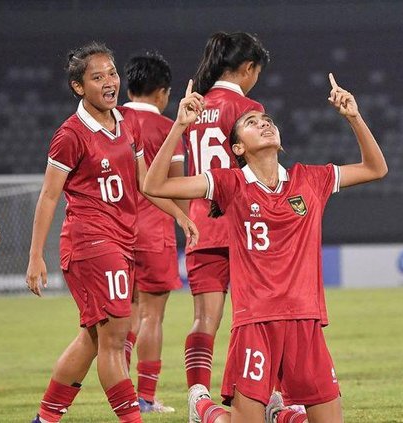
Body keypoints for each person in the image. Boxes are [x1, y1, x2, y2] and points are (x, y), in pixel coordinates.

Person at [144, 74, 388, 423]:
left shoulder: (310, 179)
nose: (264, 125)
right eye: (253, 123)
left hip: (306, 322)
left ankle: (278, 414)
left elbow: (376, 168)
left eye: (268, 121)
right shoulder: (229, 183)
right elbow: (155, 184)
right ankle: (204, 408)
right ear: (238, 148)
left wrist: (354, 116)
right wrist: (179, 127)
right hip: (256, 323)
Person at [26, 42, 196, 423]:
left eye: (112, 73)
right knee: (115, 340)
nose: (109, 82)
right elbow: (50, 195)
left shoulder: (126, 123)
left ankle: (45, 418)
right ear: (78, 87)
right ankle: (132, 418)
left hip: (122, 242)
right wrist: (37, 255)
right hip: (91, 243)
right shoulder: (70, 134)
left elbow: (145, 184)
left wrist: (180, 217)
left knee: (93, 338)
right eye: (97, 76)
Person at [183, 31, 269, 393]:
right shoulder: (248, 111)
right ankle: (246, 394)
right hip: (242, 224)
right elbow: (260, 171)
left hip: (201, 225)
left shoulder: (195, 106)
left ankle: (196, 396)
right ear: (248, 68)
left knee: (204, 319)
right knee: (254, 318)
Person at [122, 52, 186, 413]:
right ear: (162, 92)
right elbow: (178, 185)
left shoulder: (113, 119)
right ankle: (144, 397)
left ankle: (122, 392)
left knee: (125, 313)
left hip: (115, 231)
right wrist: (187, 222)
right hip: (155, 231)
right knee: (152, 316)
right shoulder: (167, 129)